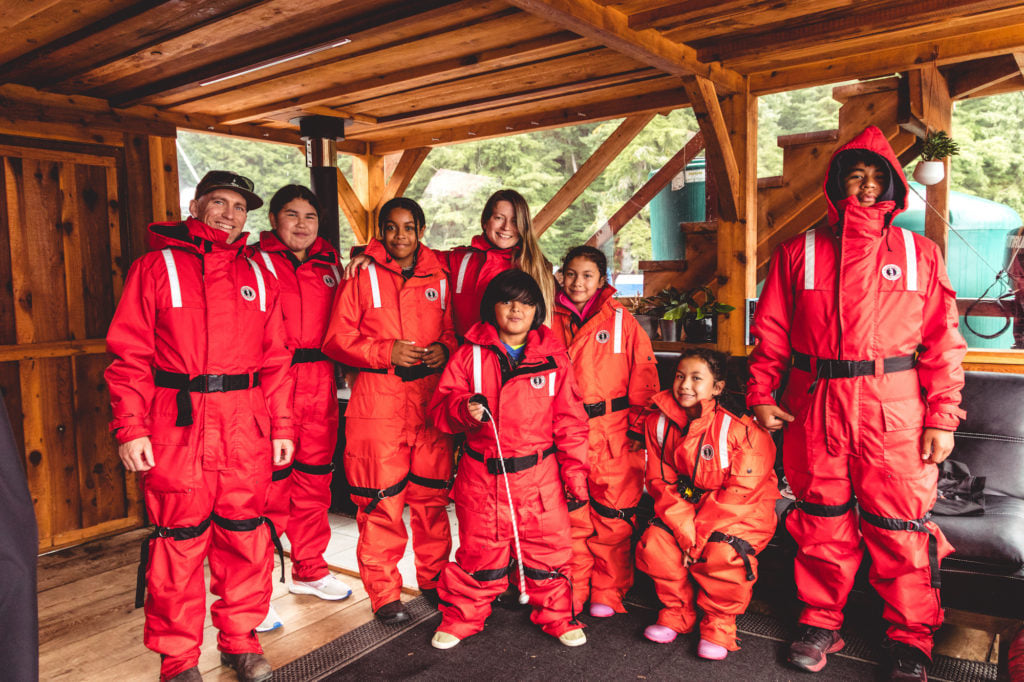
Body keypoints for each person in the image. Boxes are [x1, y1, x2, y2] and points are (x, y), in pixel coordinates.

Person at [747, 125, 967, 681]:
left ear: (892, 185)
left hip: (895, 410)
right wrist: (760, 394)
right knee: (820, 522)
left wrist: (943, 416)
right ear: (837, 183)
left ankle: (912, 639)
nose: (865, 188)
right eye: (855, 176)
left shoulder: (921, 253)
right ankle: (821, 620)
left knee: (902, 529)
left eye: (876, 178)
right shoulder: (799, 251)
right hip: (815, 407)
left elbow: (943, 343)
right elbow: (770, 333)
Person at [105, 171, 295, 682]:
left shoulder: (260, 274)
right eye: (219, 202)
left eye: (239, 206)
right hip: (177, 427)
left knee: (246, 537)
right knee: (179, 544)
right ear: (195, 205)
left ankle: (241, 642)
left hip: (245, 427)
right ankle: (179, 662)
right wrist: (131, 428)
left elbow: (277, 359)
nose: (229, 214)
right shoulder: (155, 266)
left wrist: (283, 428)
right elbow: (129, 356)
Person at [426, 270, 590, 650]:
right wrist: (464, 409)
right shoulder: (469, 355)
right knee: (478, 549)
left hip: (540, 474)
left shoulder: (554, 359)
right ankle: (464, 616)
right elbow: (439, 410)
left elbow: (571, 422)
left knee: (548, 548)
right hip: (482, 475)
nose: (517, 310)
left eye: (526, 302)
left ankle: (556, 615)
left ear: (538, 310)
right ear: (492, 308)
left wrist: (575, 478)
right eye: (507, 301)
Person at [322, 197, 456, 625]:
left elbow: (450, 330)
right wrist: (385, 352)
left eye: (409, 227)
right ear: (380, 231)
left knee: (431, 500)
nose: (400, 236)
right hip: (378, 402)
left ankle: (434, 580)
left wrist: (444, 349)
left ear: (421, 230)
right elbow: (336, 339)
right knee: (380, 502)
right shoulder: (361, 275)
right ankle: (384, 593)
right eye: (392, 228)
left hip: (429, 403)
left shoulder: (441, 276)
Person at [636, 349, 778, 659]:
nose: (685, 385)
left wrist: (695, 540)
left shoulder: (741, 427)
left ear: (717, 387)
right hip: (689, 505)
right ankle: (677, 612)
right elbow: (661, 482)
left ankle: (719, 625)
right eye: (679, 376)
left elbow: (741, 493)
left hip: (743, 511)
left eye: (696, 379)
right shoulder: (657, 421)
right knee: (656, 542)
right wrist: (687, 533)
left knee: (724, 553)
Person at [258, 185, 352, 633]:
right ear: (275, 219)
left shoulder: (330, 266)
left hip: (319, 385)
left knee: (315, 486)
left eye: (310, 216)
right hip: (269, 387)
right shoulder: (254, 261)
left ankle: (310, 571)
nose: (301, 224)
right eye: (291, 215)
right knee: (265, 495)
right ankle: (252, 597)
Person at [551, 245, 658, 617]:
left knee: (614, 518)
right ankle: (575, 589)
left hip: (614, 432)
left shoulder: (621, 321)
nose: (578, 282)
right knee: (572, 515)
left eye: (587, 275)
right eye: (572, 274)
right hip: (564, 430)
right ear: (561, 275)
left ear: (602, 280)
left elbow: (644, 376)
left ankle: (608, 591)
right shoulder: (548, 318)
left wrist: (638, 428)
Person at [345, 189, 555, 339]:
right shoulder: (460, 259)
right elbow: (411, 251)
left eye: (515, 220)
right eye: (499, 218)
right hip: (463, 357)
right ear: (485, 222)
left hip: (510, 359)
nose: (506, 227)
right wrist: (373, 252)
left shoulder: (534, 267)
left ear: (524, 225)